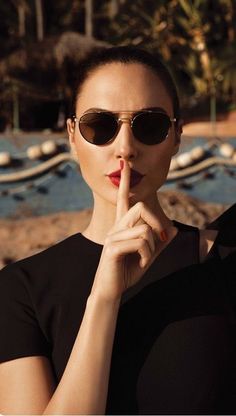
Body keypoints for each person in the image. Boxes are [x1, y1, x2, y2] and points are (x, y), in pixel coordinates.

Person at [0, 46, 236, 415]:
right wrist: (104, 299)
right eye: (101, 126)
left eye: (150, 126)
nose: (125, 148)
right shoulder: (20, 290)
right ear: (72, 135)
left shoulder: (223, 262)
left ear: (176, 136)